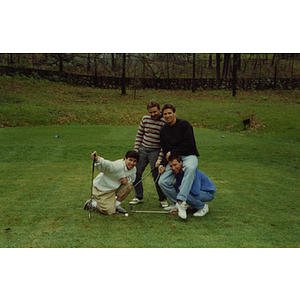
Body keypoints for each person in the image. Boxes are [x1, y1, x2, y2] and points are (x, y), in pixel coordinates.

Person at [158, 103, 200, 213]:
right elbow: (165, 150)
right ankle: (176, 203)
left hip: (188, 155)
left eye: (170, 113)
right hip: (173, 159)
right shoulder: (163, 130)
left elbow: (189, 143)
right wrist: (162, 164)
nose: (167, 116)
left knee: (190, 168)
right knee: (162, 181)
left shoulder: (184, 124)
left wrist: (173, 151)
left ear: (175, 113)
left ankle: (182, 201)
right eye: (165, 114)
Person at [130, 100, 168, 207]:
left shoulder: (164, 122)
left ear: (159, 109)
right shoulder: (145, 119)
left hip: (156, 151)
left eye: (155, 112)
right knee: (136, 172)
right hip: (143, 149)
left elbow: (164, 144)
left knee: (156, 175)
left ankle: (162, 198)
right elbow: (139, 135)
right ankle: (138, 196)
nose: (153, 114)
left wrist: (160, 158)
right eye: (150, 112)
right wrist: (136, 150)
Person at [84, 150, 139, 215]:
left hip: (113, 189)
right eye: (130, 160)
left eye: (134, 161)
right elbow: (106, 165)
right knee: (110, 212)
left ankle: (116, 205)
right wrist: (97, 159)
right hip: (101, 190)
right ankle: (92, 203)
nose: (132, 163)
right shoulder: (117, 166)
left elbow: (133, 178)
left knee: (129, 185)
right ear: (125, 158)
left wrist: (127, 179)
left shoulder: (133, 169)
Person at [165, 153, 216, 219]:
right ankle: (188, 206)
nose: (173, 168)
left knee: (185, 195)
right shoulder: (178, 173)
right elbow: (177, 185)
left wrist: (182, 188)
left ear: (181, 162)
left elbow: (195, 191)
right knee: (181, 192)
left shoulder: (191, 172)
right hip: (199, 191)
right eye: (171, 166)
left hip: (208, 192)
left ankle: (203, 207)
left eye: (175, 165)